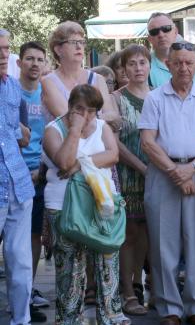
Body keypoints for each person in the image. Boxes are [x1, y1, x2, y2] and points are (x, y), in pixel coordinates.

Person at [139, 41, 195, 325]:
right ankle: (169, 309)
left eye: (189, 62)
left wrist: (192, 168)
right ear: (168, 65)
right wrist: (176, 172)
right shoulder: (154, 97)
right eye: (178, 62)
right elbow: (148, 142)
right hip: (163, 173)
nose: (184, 68)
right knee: (164, 245)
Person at [42, 85, 127, 324]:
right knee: (70, 268)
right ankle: (69, 319)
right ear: (70, 107)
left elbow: (113, 155)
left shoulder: (102, 127)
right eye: (79, 109)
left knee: (108, 262)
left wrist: (81, 164)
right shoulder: (53, 129)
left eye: (91, 110)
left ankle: (111, 316)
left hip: (101, 205)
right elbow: (63, 162)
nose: (86, 115)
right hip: (63, 207)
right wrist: (75, 130)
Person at [0, 29, 39, 324]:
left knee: (22, 262)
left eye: (6, 49)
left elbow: (21, 132)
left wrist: (20, 136)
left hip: (19, 184)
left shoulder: (13, 86)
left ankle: (21, 319)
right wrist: (17, 134)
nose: (4, 55)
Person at [112, 44, 151, 316]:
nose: (138, 68)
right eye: (132, 64)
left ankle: (139, 283)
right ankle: (127, 291)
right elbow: (112, 142)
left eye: (142, 62)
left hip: (157, 173)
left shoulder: (160, 95)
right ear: (123, 69)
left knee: (149, 232)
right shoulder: (115, 99)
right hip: (127, 174)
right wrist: (140, 166)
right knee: (128, 234)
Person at [16, 41, 51, 318]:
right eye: (29, 59)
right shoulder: (10, 92)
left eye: (40, 59)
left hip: (40, 172)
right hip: (11, 172)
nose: (35, 64)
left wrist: (41, 168)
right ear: (19, 63)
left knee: (34, 235)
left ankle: (27, 290)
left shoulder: (47, 93)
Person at [42, 21, 120, 127]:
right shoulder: (48, 82)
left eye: (82, 42)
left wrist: (89, 119)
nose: (79, 47)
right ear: (58, 50)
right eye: (73, 42)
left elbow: (113, 116)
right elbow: (69, 119)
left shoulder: (98, 79)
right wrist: (101, 118)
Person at [145, 12, 195, 88]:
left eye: (166, 28)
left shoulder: (192, 63)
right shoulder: (143, 66)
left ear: (175, 32)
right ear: (149, 38)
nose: (161, 35)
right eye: (154, 32)